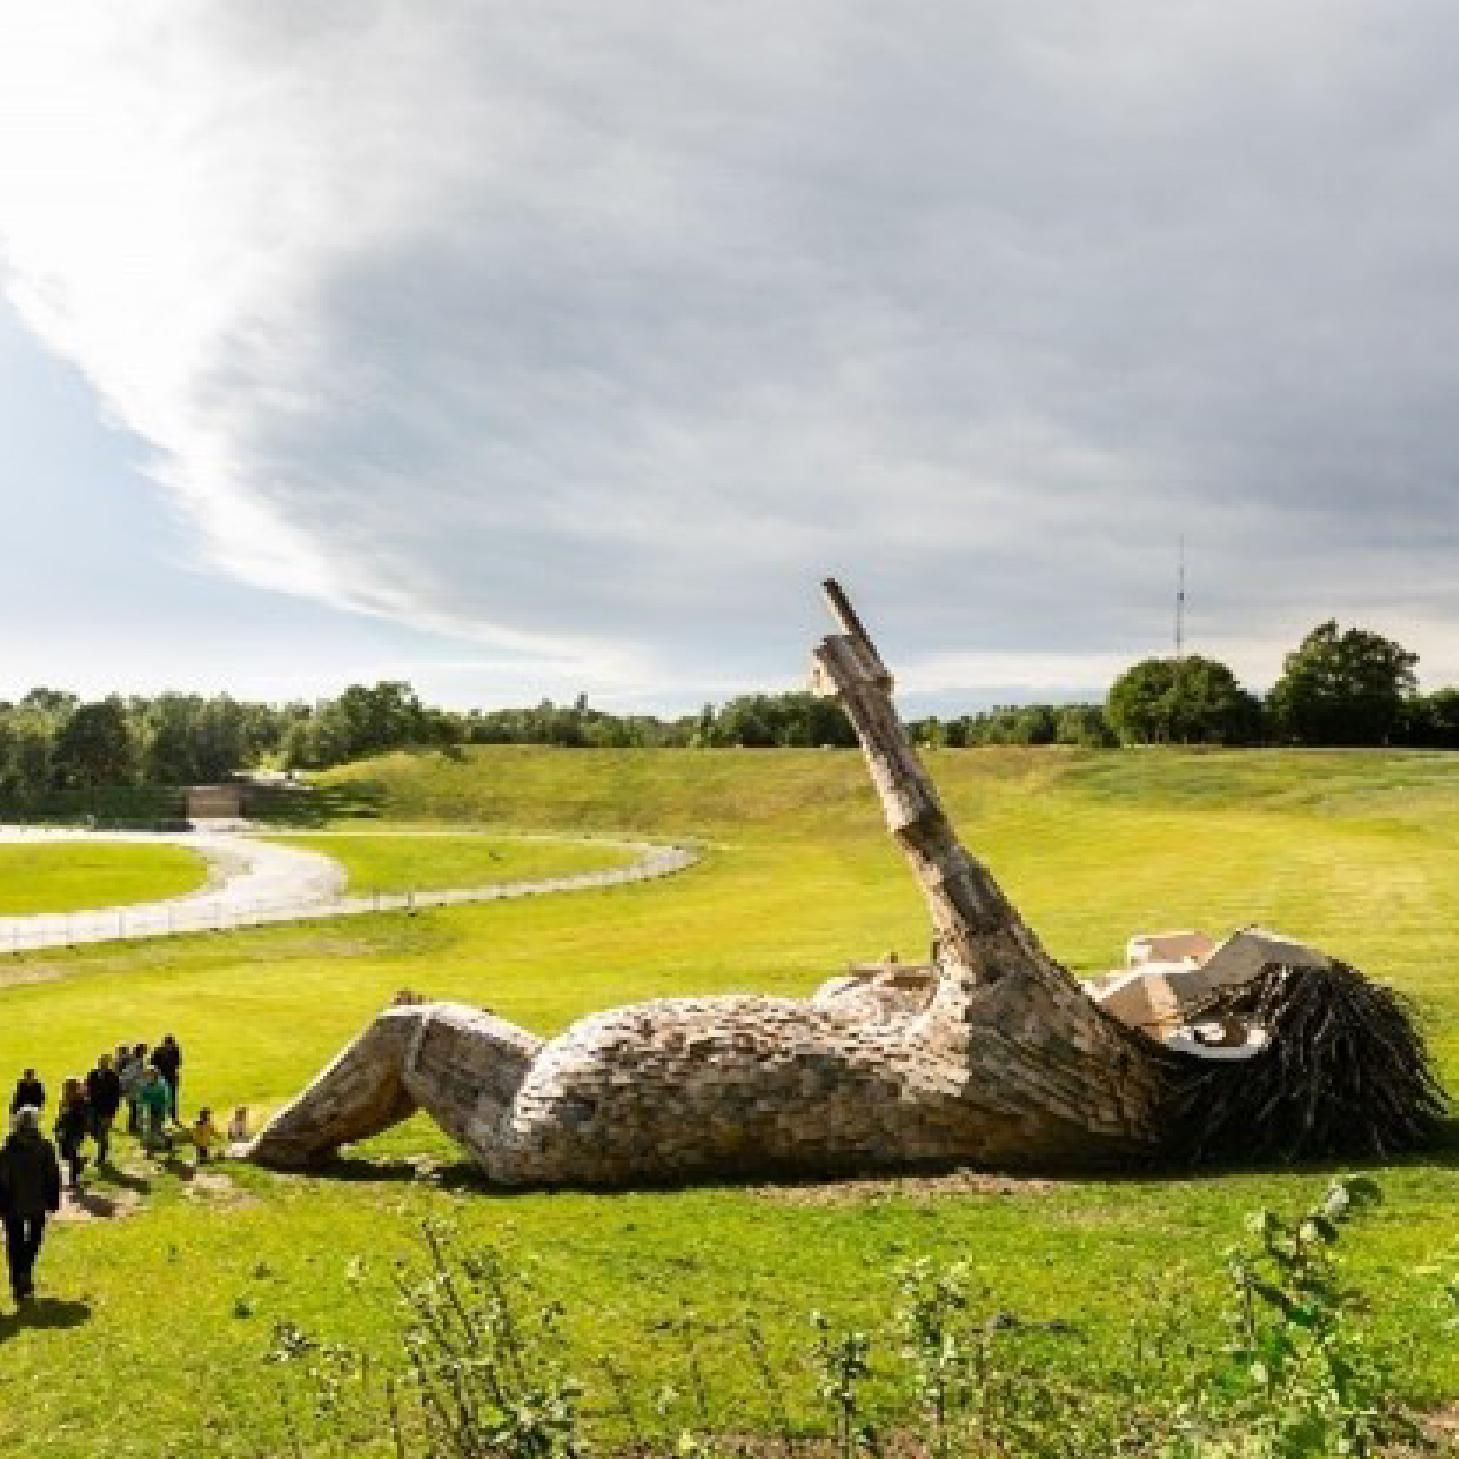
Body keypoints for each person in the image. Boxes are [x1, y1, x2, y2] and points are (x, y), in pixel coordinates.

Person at [0, 1107, 61, 1302]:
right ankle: (24, 1273)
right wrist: (52, 1201)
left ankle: (18, 1282)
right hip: (36, 1203)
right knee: (33, 1241)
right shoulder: (45, 1147)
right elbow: (52, 1176)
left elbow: (1, 1180)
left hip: (12, 1205)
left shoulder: (7, 1149)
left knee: (14, 1244)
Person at [85, 1054, 122, 1166]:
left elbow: (116, 1096)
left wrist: (112, 1113)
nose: (102, 1064)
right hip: (93, 1108)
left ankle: (102, 1156)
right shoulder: (92, 1074)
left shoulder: (114, 1077)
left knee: (102, 1133)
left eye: (105, 1062)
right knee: (92, 1130)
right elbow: (87, 1089)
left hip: (106, 1110)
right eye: (101, 1062)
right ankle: (103, 1146)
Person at [53, 1078, 90, 1190]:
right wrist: (57, 1127)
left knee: (71, 1154)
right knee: (64, 1154)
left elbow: (83, 1118)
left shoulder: (81, 1101)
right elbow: (61, 1116)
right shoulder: (64, 1101)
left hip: (75, 1132)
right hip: (65, 1131)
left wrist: (82, 1132)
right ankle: (80, 1162)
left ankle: (73, 1180)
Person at [137, 1067, 172, 1155]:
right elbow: (143, 1096)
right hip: (151, 1109)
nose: (148, 1076)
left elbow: (164, 1098)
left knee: (154, 1129)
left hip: (157, 1109)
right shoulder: (150, 1083)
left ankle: (156, 1146)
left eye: (149, 1074)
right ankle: (152, 1149)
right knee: (152, 1129)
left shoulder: (160, 1085)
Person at [153, 1034, 182, 1122]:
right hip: (161, 1077)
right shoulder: (158, 1051)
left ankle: (173, 1116)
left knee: (173, 1098)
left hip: (171, 1076)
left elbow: (178, 1064)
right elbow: (153, 1064)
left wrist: (176, 1075)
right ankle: (159, 1117)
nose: (169, 1047)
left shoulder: (176, 1050)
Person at [122, 1043, 148, 1136]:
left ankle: (134, 1126)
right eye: (144, 1051)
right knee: (134, 1110)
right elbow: (128, 1077)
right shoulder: (136, 1064)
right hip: (133, 1090)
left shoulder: (138, 1062)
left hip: (136, 1090)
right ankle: (133, 1127)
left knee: (135, 1110)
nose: (146, 1053)